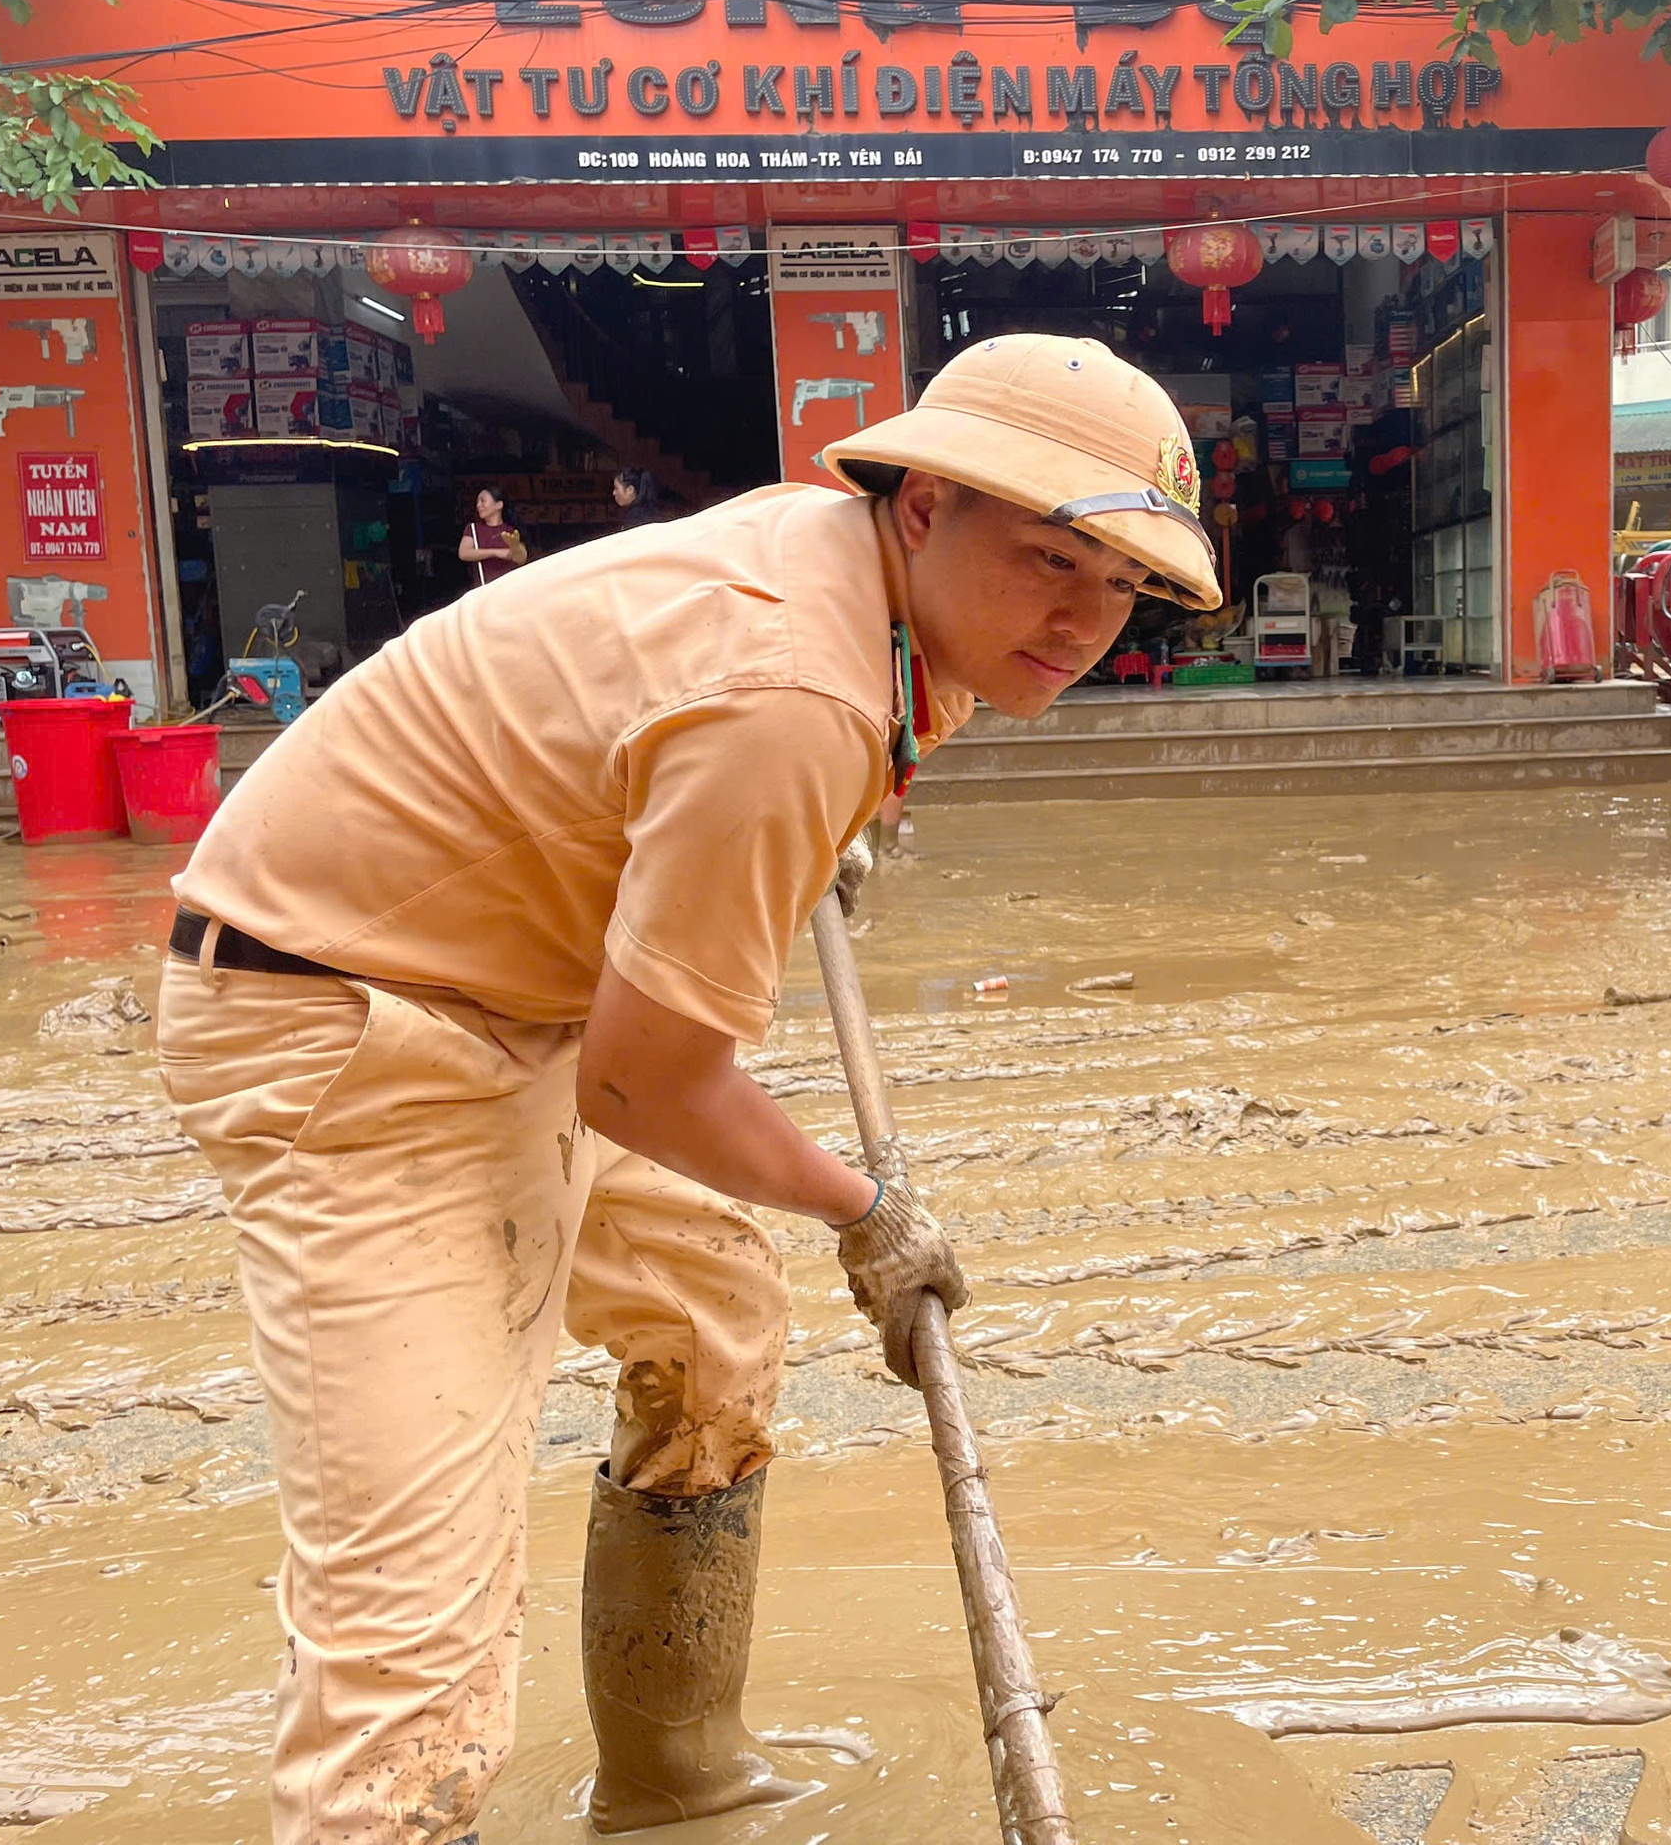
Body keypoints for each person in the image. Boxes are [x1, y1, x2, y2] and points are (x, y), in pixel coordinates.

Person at [151, 335, 1219, 1845]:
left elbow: (683, 781)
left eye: (1124, 585)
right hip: (352, 1031)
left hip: (524, 992)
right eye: (1054, 558)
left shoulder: (883, 600)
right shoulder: (797, 687)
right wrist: (870, 1212)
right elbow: (649, 1085)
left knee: (711, 1324)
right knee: (416, 1656)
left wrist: (819, 832)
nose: (1086, 618)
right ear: (920, 506)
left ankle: (674, 1776)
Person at [458, 485, 528, 584]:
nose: (478, 505)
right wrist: (496, 553)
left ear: (498, 505)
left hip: (509, 587)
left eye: (483, 501)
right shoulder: (473, 529)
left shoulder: (511, 531)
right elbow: (464, 553)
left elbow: (521, 559)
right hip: (484, 588)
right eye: (477, 502)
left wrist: (516, 550)